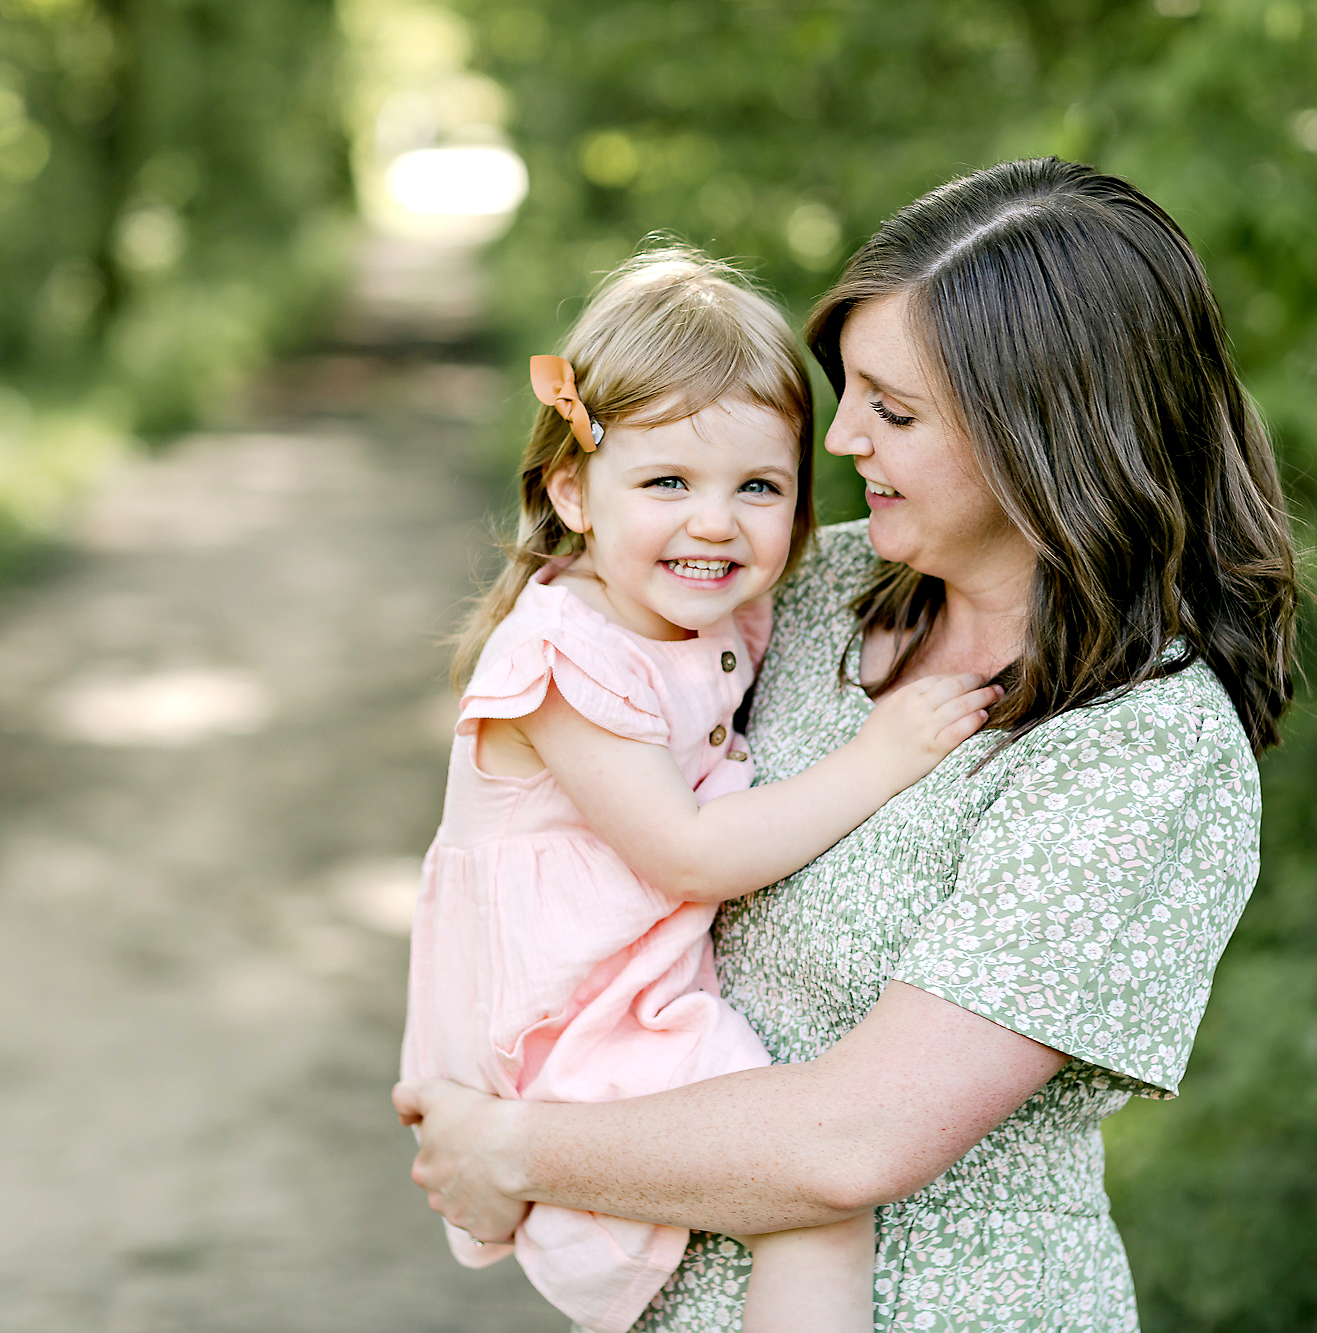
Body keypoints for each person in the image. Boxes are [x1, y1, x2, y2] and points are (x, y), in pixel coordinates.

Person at [395, 158, 1304, 1331]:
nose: (844, 441)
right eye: (849, 393)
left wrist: (514, 1150)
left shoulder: (1138, 750)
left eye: (895, 411)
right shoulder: (810, 593)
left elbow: (850, 1141)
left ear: (1043, 439)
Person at [402, 248, 1004, 1333]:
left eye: (758, 487)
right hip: (570, 1025)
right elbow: (685, 851)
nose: (715, 522)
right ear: (572, 488)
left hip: (625, 992)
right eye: (667, 482)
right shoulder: (563, 659)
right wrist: (880, 755)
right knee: (812, 1196)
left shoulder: (713, 610)